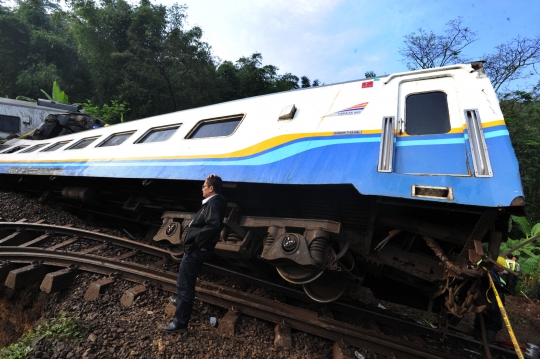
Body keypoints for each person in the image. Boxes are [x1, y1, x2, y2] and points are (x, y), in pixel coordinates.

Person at [159, 174, 227, 333]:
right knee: (185, 284)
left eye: (204, 186)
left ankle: (179, 324)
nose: (202, 188)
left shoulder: (213, 204)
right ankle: (181, 303)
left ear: (211, 189)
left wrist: (196, 242)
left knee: (184, 286)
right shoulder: (216, 201)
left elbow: (213, 226)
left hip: (195, 251)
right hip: (197, 250)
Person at [474, 257, 507, 344]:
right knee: (495, 322)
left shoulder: (493, 273)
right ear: (496, 265)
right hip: (490, 302)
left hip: (490, 302)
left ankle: (480, 340)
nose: (503, 268)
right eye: (502, 266)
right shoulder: (490, 273)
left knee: (483, 321)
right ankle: (486, 342)